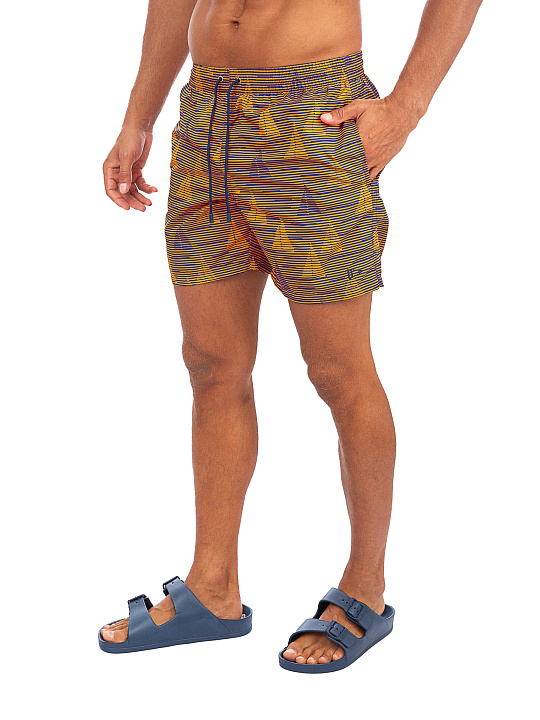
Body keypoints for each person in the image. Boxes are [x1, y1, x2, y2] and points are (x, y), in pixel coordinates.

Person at [99, 0, 483, 672]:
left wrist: (407, 106)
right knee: (211, 364)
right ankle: (213, 588)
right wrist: (138, 117)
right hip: (207, 114)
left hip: (312, 116)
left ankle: (365, 588)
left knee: (338, 371)